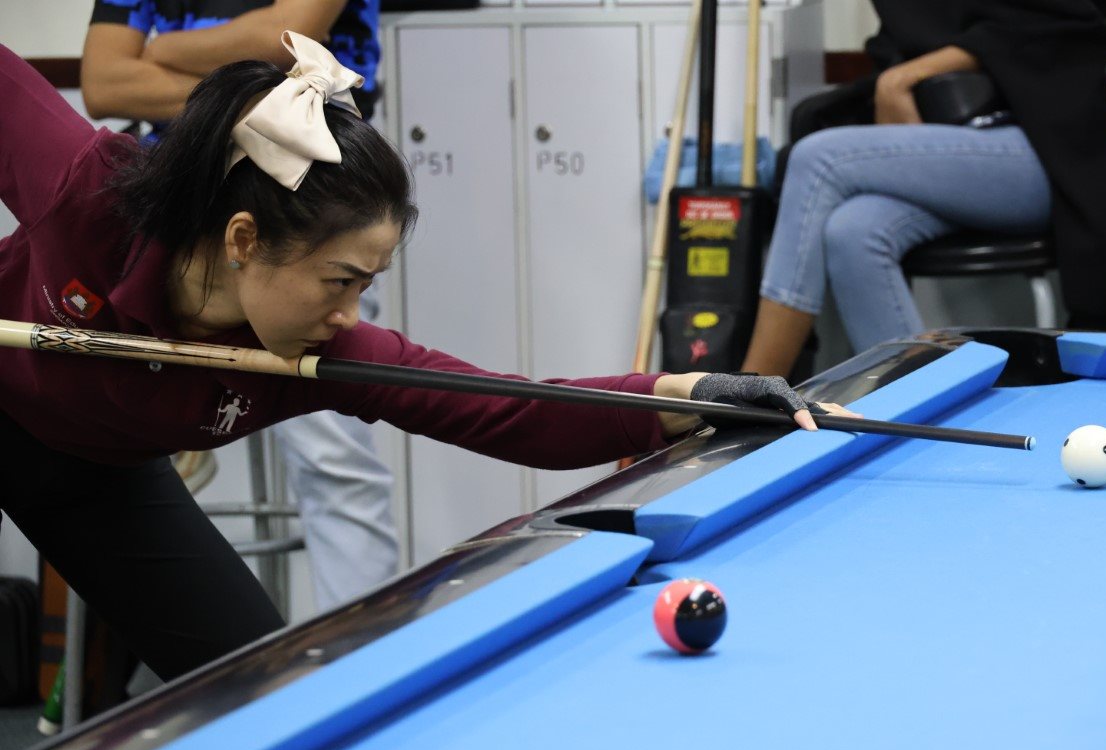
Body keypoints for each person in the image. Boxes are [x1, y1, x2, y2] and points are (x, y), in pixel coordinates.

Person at [0, 34, 852, 683]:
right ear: (244, 239)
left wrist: (696, 394)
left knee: (259, 690)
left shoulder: (322, 351)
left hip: (100, 477)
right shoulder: (91, 194)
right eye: (338, 280)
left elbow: (510, 408)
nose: (350, 314)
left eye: (366, 284)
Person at [81, 0, 398, 610]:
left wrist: (160, 52)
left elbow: (283, 38)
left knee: (333, 458)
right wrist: (252, 91)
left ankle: (361, 654)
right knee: (113, 447)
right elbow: (103, 83)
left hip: (308, 209)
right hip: (174, 208)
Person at [741, 0, 1106, 378]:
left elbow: (1052, 28)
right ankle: (916, 404)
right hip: (956, 138)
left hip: (1052, 145)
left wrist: (905, 76)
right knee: (852, 231)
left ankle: (746, 397)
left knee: (816, 160)